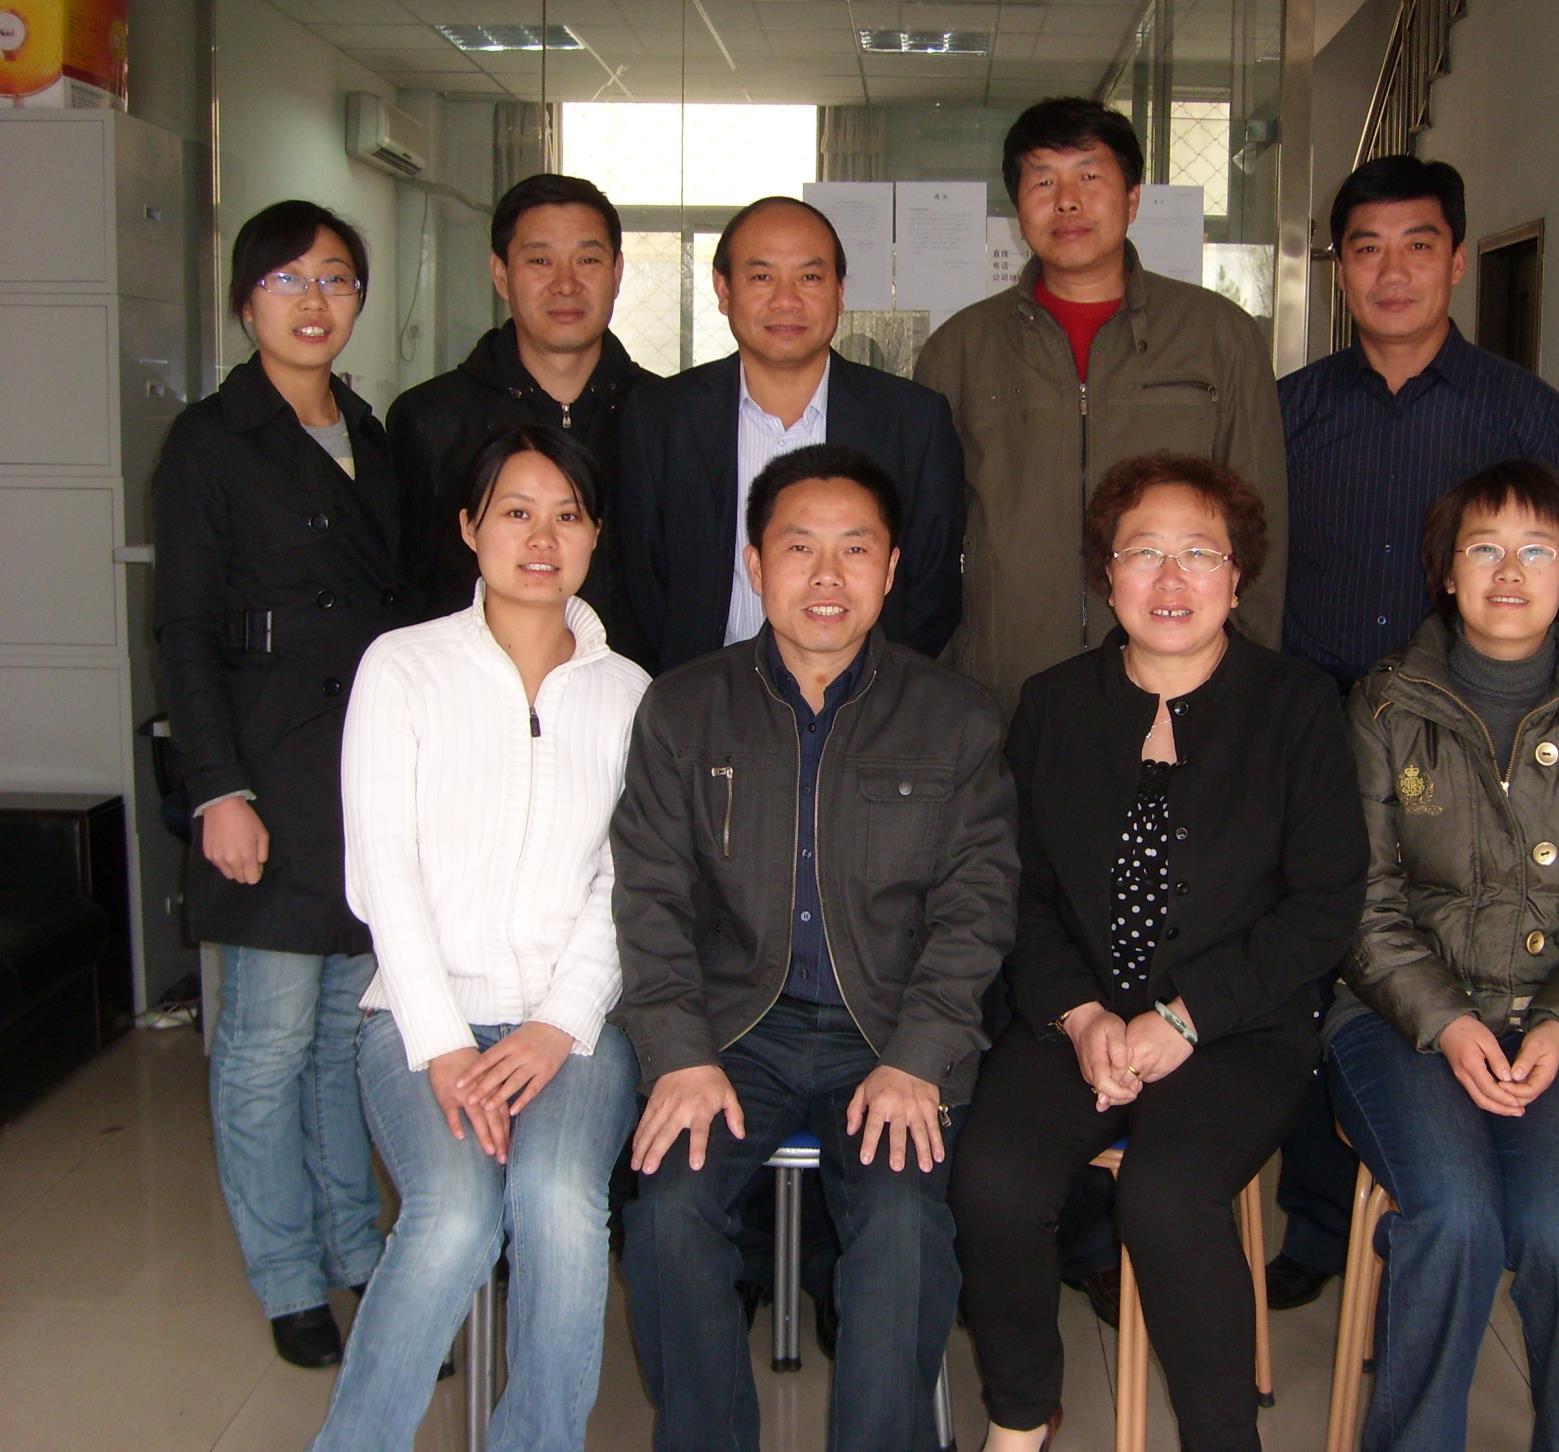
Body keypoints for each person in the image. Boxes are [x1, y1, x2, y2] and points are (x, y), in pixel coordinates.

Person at [951, 454, 1367, 1452]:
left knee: (1168, 1196)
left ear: (1237, 575)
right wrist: (1079, 1013)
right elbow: (1021, 890)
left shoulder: (1297, 705)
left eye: (1198, 555)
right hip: (1076, 1019)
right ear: (1106, 575)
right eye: (1143, 554)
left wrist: (1186, 1017)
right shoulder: (1053, 705)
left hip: (1236, 1028)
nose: (1170, 580)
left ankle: (1222, 1438)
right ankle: (1020, 1412)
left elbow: (1324, 906)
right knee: (992, 1179)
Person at [611, 444, 1016, 1452]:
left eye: (855, 549)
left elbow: (976, 910)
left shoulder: (956, 717)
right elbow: (650, 899)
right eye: (799, 548)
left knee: (901, 1226)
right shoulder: (682, 707)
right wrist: (678, 1054)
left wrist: (919, 1058)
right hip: (729, 1034)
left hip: (887, 1034)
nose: (826, 576)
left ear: (892, 568)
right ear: (754, 564)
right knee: (666, 1217)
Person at [1266, 153, 1559, 1311]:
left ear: (1455, 259)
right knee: (1312, 966)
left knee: (1454, 954)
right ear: (1338, 268)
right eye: (1365, 248)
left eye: (1416, 245)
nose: (1390, 270)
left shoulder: (1522, 412)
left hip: (1466, 744)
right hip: (1313, 734)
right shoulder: (1289, 410)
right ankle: (1319, 1220)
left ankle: (1468, 1195)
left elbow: (1556, 585)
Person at [313, 426, 647, 1450]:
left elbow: (629, 884)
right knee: (455, 1216)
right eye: (515, 512)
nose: (541, 538)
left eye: (566, 516)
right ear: (469, 528)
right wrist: (444, 1041)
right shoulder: (404, 668)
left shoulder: (631, 695)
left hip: (572, 1031)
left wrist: (558, 1023)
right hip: (423, 1022)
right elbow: (382, 870)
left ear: (595, 534)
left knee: (557, 1202)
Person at [1331, 459, 1559, 1452]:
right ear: (1446, 572)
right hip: (1397, 1020)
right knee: (1456, 1216)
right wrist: (1445, 1021)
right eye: (1483, 548)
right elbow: (1357, 904)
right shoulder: (1383, 707)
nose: (1508, 572)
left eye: (1536, 551)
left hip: (1554, 1025)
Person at [152, 200, 417, 1367]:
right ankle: (287, 1276)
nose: (314, 302)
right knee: (264, 1044)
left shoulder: (369, 430)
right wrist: (217, 788)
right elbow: (184, 628)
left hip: (364, 773)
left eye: (337, 279)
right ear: (245, 299)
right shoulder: (211, 440)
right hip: (264, 770)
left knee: (340, 1041)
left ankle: (355, 1249)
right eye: (286, 280)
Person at [915, 97, 1288, 717]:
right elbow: (927, 545)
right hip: (1004, 691)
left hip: (1184, 687)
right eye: (1043, 181)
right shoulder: (962, 349)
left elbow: (1260, 527)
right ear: (1017, 208)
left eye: (1090, 176)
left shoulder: (1219, 337)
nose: (1067, 201)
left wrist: (1248, 689)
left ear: (1133, 198)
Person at [621, 195, 964, 674]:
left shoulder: (913, 421)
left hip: (867, 702)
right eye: (762, 277)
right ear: (723, 288)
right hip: (704, 698)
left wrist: (875, 694)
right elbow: (641, 582)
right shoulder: (660, 417)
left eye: (810, 277)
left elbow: (933, 591)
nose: (786, 300)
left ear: (839, 291)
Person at [388, 172, 656, 661]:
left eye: (588, 260)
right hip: (474, 694)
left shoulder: (667, 416)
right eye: (539, 260)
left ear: (617, 272)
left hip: (638, 696)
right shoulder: (430, 421)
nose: (566, 283)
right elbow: (412, 596)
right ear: (500, 273)